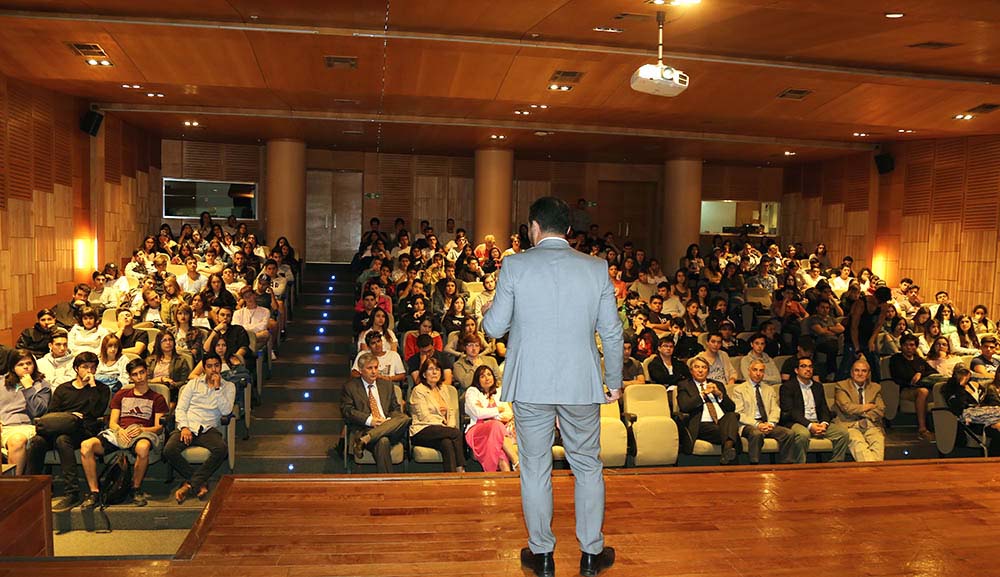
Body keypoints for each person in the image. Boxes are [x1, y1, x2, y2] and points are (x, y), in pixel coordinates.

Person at [482, 196, 621, 577]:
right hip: (581, 383)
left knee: (535, 468)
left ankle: (542, 554)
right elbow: (611, 331)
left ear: (534, 227)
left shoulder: (515, 265)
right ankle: (591, 554)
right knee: (587, 466)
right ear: (570, 230)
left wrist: (485, 312)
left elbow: (494, 328)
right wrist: (613, 382)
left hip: (531, 383)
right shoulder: (596, 268)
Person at [25, 352, 110, 512]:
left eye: (93, 367)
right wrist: (70, 415)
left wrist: (92, 387)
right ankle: (33, 489)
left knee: (62, 440)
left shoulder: (101, 389)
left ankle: (72, 492)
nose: (89, 371)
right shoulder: (63, 389)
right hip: (60, 427)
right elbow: (52, 413)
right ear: (76, 368)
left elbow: (97, 411)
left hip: (84, 430)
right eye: (85, 367)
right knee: (37, 441)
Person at [79, 358, 167, 508]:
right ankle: (94, 492)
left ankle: (136, 488)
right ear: (130, 377)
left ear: (147, 372)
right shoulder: (122, 394)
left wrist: (141, 429)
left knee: (143, 447)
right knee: (86, 445)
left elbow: (159, 427)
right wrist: (120, 430)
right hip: (119, 432)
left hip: (142, 433)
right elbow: (113, 422)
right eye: (135, 374)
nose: (139, 377)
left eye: (142, 372)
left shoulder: (157, 398)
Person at [163, 352, 235, 503]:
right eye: (209, 366)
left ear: (221, 367)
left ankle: (190, 485)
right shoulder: (192, 384)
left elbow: (226, 411)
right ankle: (199, 482)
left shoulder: (229, 387)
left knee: (221, 449)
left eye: (216, 366)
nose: (213, 370)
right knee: (169, 450)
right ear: (204, 368)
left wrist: (217, 389)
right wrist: (184, 427)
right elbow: (181, 409)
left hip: (208, 428)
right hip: (189, 425)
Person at [342, 352, 411, 473]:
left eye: (376, 367)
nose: (374, 371)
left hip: (390, 429)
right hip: (365, 428)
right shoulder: (350, 387)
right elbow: (347, 411)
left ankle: (366, 439)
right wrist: (370, 421)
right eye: (370, 368)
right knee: (383, 441)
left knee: (405, 418)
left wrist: (387, 422)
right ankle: (387, 481)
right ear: (361, 370)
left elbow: (395, 409)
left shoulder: (387, 385)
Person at [778, 357, 850, 463]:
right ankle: (800, 466)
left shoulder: (818, 387)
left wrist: (824, 424)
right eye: (803, 366)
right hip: (797, 422)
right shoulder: (787, 387)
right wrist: (810, 425)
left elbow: (824, 409)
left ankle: (835, 465)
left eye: (810, 367)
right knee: (803, 434)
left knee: (842, 433)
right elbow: (791, 411)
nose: (808, 369)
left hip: (817, 422)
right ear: (796, 370)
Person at [675, 355, 742, 464]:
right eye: (697, 367)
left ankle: (727, 451)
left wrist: (719, 394)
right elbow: (684, 406)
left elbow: (731, 408)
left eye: (704, 367)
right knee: (732, 434)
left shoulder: (717, 385)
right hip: (702, 424)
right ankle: (729, 449)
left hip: (722, 422)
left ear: (708, 371)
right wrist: (702, 395)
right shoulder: (684, 385)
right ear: (691, 371)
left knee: (732, 416)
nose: (700, 370)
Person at [731, 359, 795, 464]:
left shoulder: (769, 389)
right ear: (749, 371)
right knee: (756, 434)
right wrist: (758, 424)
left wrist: (771, 423)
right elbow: (738, 413)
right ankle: (755, 465)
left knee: (789, 433)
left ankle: (785, 465)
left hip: (767, 423)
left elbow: (775, 409)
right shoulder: (739, 389)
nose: (758, 373)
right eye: (755, 370)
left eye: (761, 371)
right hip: (749, 424)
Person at [409, 357, 465, 472]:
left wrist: (449, 424)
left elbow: (451, 412)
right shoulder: (418, 390)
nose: (435, 372)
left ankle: (451, 477)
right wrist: (444, 425)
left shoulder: (443, 389)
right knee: (456, 433)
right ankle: (461, 468)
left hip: (441, 431)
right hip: (422, 429)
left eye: (437, 369)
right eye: (430, 369)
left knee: (447, 443)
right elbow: (424, 417)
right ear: (424, 374)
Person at [0, 350, 52, 474]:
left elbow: (38, 412)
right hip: (3, 426)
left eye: (29, 363)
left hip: (27, 426)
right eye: (20, 364)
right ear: (12, 367)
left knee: (17, 440)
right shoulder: (1, 383)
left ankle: (16, 483)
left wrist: (29, 388)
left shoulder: (42, 385)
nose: (25, 367)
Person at [464, 365, 518, 472]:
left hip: (498, 431)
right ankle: (516, 462)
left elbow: (508, 413)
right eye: (482, 376)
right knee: (496, 424)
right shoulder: (472, 392)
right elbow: (478, 413)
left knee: (500, 450)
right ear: (477, 380)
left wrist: (489, 414)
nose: (487, 378)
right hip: (477, 431)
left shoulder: (499, 392)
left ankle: (506, 478)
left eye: (489, 374)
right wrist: (498, 410)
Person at [834, 359, 885, 462]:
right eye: (857, 370)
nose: (860, 374)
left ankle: (873, 469)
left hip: (871, 424)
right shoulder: (841, 386)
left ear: (868, 374)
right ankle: (874, 469)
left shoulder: (875, 388)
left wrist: (863, 415)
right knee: (858, 443)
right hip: (850, 425)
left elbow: (880, 410)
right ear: (851, 373)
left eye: (864, 371)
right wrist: (868, 407)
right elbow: (847, 408)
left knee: (878, 441)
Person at [942, 367, 1000, 456]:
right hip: (970, 421)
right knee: (997, 432)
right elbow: (958, 407)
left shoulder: (974, 385)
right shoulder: (952, 389)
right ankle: (993, 460)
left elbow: (987, 402)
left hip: (986, 416)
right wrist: (960, 385)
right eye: (962, 374)